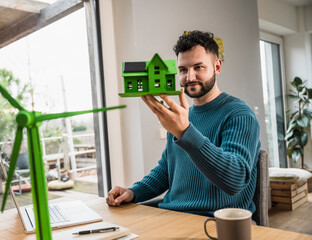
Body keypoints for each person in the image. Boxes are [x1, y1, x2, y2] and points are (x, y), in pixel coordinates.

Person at [106, 30, 261, 217]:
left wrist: (185, 132)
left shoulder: (239, 114)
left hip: (214, 220)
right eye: (183, 70)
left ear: (217, 67)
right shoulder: (182, 115)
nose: (190, 77)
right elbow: (167, 169)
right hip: (171, 215)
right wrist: (133, 192)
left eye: (198, 67)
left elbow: (234, 180)